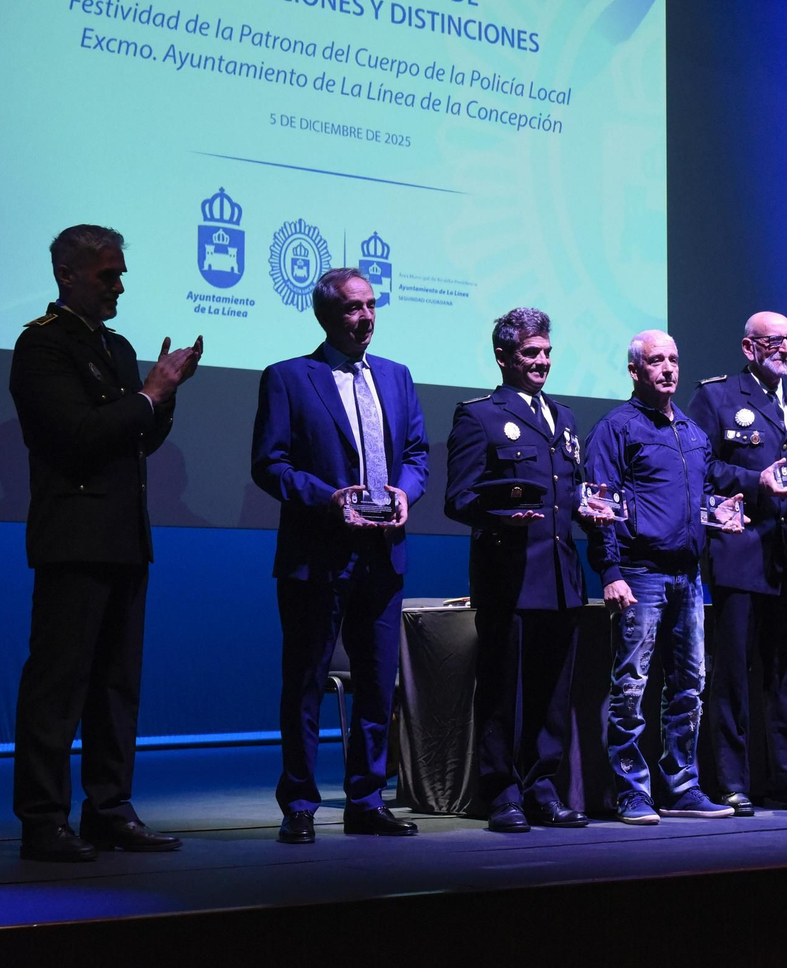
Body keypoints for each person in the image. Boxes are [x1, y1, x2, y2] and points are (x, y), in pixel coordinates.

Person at [9, 224, 201, 862]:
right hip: (73, 540)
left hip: (124, 536)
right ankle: (43, 821)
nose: (119, 286)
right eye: (107, 275)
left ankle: (109, 811)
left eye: (120, 274)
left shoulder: (114, 347)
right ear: (66, 274)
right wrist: (152, 392)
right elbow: (77, 436)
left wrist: (162, 401)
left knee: (117, 686)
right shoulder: (42, 345)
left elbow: (134, 440)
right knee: (57, 687)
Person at [252, 267, 429, 843]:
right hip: (317, 557)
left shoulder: (397, 376)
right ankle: (300, 805)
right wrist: (328, 498)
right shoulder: (288, 378)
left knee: (377, 685)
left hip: (383, 554)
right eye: (354, 308)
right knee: (305, 683)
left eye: (371, 305)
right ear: (326, 315)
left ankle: (366, 802)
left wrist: (405, 492)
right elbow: (270, 465)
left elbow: (418, 454)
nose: (366, 317)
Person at [445, 307, 600, 832]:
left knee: (551, 695)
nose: (542, 361)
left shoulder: (564, 417)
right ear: (503, 357)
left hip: (560, 577)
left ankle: (542, 789)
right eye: (531, 353)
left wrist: (591, 507)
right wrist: (502, 516)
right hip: (507, 576)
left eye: (547, 352)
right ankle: (502, 794)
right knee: (501, 692)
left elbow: (568, 493)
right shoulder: (480, 416)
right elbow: (458, 498)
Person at [685, 312, 787, 815]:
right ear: (748, 347)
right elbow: (699, 466)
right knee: (733, 677)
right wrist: (756, 482)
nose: (786, 349)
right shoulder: (717, 397)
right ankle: (732, 783)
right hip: (739, 550)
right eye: (775, 341)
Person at [585, 330, 735, 824]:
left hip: (688, 576)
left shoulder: (692, 431)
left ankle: (680, 787)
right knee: (631, 686)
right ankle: (631, 791)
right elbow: (600, 507)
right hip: (639, 573)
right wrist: (610, 570)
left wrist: (718, 514)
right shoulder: (616, 428)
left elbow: (699, 497)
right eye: (656, 361)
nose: (668, 368)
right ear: (635, 371)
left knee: (689, 686)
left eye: (673, 359)